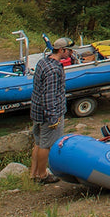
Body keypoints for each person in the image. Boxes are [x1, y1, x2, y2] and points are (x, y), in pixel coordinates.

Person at [30, 37, 73, 184]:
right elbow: (49, 96)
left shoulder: (43, 62)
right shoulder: (54, 70)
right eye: (69, 50)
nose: (71, 53)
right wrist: (53, 118)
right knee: (46, 146)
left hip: (36, 111)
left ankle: (33, 173)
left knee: (38, 142)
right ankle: (43, 176)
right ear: (62, 50)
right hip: (48, 114)